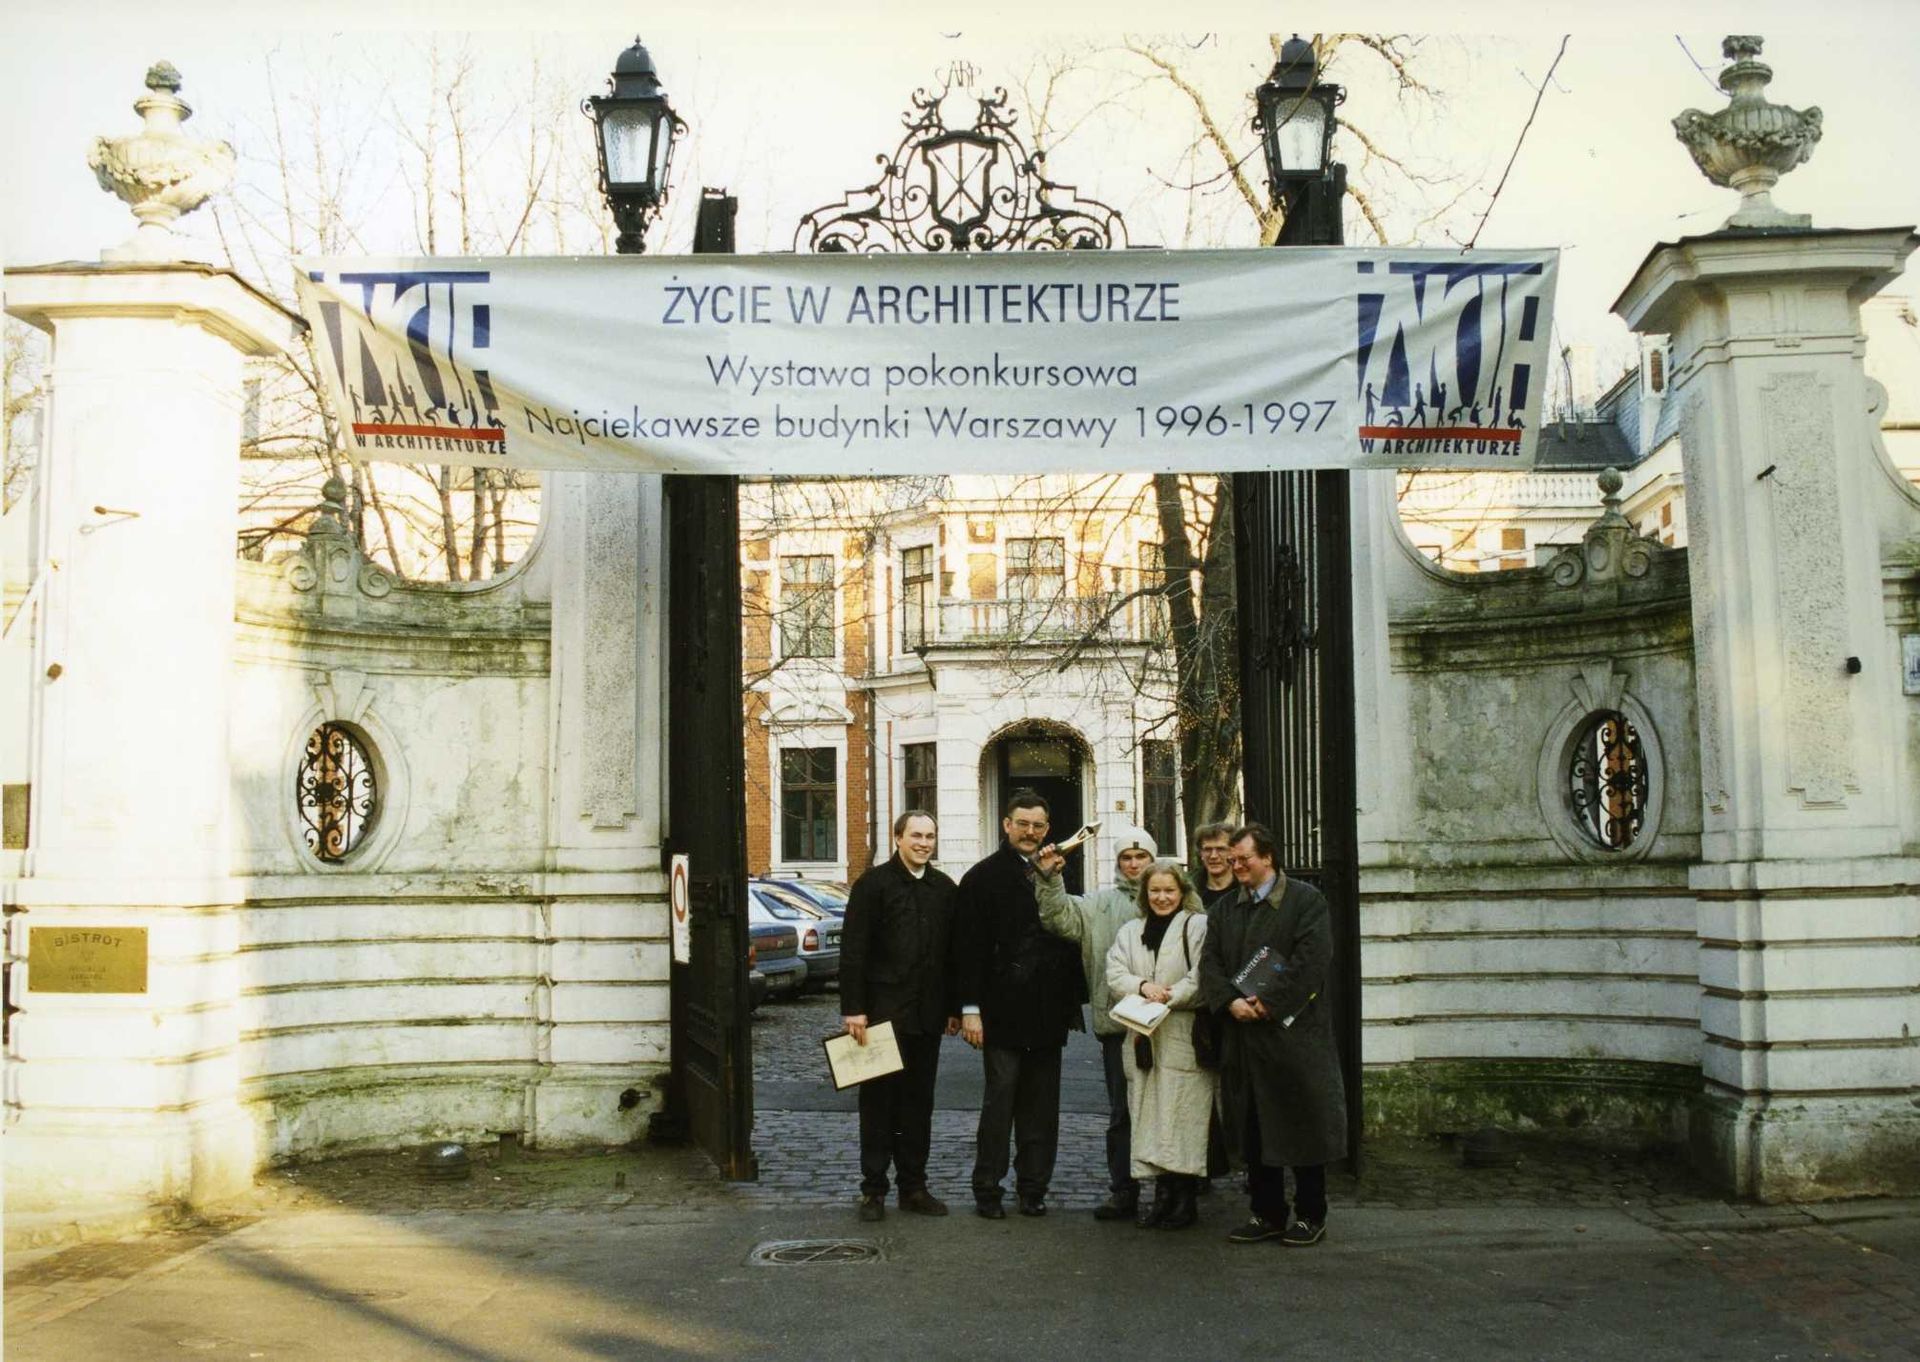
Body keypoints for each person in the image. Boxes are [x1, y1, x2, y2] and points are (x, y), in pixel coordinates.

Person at [1198, 822, 1347, 1247]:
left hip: (1294, 1036)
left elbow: (1312, 960)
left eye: (1244, 859)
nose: (1236, 866)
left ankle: (1310, 1214)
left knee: (1301, 1122)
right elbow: (1210, 964)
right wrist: (1231, 1001)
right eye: (1233, 859)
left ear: (1268, 857)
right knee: (1255, 1127)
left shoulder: (1305, 901)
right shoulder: (1225, 909)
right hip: (1244, 1038)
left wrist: (1266, 1003)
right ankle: (1266, 1213)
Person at [954, 789, 1087, 1219]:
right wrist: (969, 1008)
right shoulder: (982, 878)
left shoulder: (1062, 869)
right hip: (1000, 1009)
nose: (1031, 833)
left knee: (1042, 1107)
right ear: (1006, 825)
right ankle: (987, 1188)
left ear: (1048, 829)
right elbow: (968, 949)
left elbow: (1070, 933)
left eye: (1039, 826)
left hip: (1048, 1008)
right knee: (1001, 1102)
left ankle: (1034, 1187)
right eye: (1023, 824)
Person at [840, 810, 961, 1222]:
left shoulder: (944, 889)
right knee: (878, 1105)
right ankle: (873, 1189)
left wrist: (953, 1009)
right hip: (879, 1016)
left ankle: (914, 1186)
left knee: (918, 1105)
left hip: (926, 1017)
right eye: (916, 835)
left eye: (930, 836)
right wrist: (853, 1009)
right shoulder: (873, 886)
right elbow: (854, 951)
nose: (924, 843)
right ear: (898, 838)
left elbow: (951, 956)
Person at [1033, 826, 1159, 1222]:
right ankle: (1124, 1190)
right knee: (1121, 1112)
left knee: (1168, 1108)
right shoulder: (1100, 905)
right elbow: (1059, 918)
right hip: (1119, 1026)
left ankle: (1176, 1190)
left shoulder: (1168, 897)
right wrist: (1051, 878)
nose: (1134, 864)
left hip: (1168, 1025)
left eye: (1141, 857)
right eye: (1126, 858)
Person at [1106, 860, 1216, 1230]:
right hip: (1142, 1034)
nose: (1162, 897)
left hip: (1182, 1034)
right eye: (1155, 891)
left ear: (1182, 892)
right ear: (1144, 894)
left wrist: (1172, 995)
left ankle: (1185, 1198)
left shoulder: (1197, 926)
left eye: (1169, 890)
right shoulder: (1131, 930)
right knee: (1149, 1116)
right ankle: (1162, 1197)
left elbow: (1204, 974)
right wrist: (1141, 987)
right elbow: (1115, 972)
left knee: (1182, 1115)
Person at [1194, 822, 1239, 908]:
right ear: (1201, 853)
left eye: (1221, 849)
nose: (1213, 856)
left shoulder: (1246, 889)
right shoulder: (1188, 888)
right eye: (1207, 849)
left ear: (1233, 852)